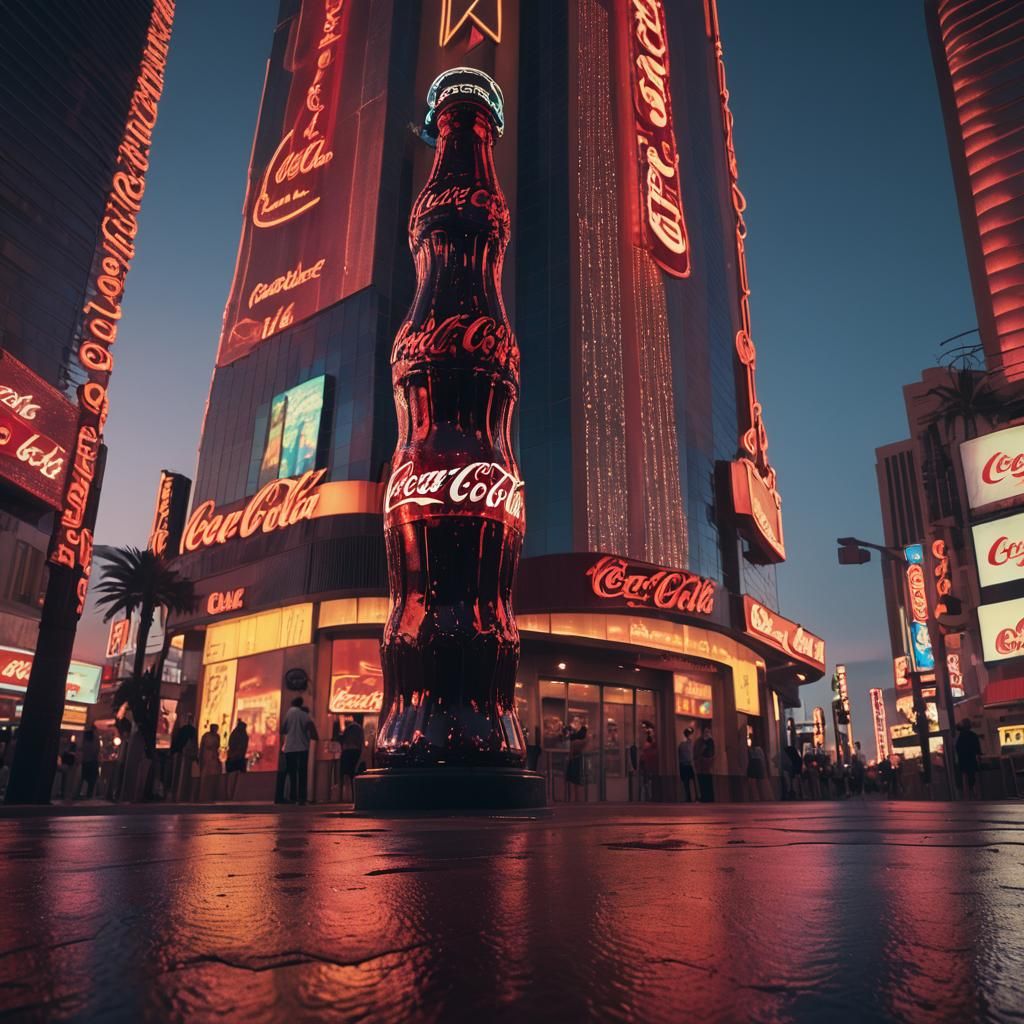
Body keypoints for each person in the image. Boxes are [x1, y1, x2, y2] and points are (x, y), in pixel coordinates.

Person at [280, 698, 317, 805]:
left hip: (290, 748)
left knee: (292, 773)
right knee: (302, 773)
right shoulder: (304, 715)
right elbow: (312, 730)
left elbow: (283, 729)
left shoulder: (289, 713)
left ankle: (292, 796)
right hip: (302, 748)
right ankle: (301, 798)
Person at [170, 713, 197, 802]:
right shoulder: (191, 731)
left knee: (179, 774)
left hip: (182, 754)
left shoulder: (183, 730)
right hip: (185, 755)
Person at [339, 714, 365, 803]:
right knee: (354, 775)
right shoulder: (360, 729)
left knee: (344, 775)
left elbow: (343, 740)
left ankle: (342, 797)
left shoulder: (348, 728)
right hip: (356, 752)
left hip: (347, 751)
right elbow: (361, 742)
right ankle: (354, 797)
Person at [956, 718, 983, 800]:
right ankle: (976, 795)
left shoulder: (959, 736)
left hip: (962, 761)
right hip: (972, 760)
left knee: (965, 778)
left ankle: (967, 796)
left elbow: (957, 748)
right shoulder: (973, 735)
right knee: (973, 777)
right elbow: (978, 750)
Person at [564, 720, 588, 801]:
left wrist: (569, 760)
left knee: (573, 781)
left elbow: (571, 753)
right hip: (580, 760)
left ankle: (573, 798)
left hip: (573, 761)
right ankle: (580, 799)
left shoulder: (574, 742)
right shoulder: (584, 742)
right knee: (579, 781)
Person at [225, 719, 249, 799]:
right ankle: (231, 795)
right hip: (235, 759)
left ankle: (233, 795)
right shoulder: (239, 735)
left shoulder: (238, 735)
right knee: (233, 778)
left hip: (237, 758)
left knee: (235, 778)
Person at [198, 723, 222, 801]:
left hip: (213, 758)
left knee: (213, 776)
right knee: (205, 776)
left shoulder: (217, 736)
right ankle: (202, 795)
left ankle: (211, 794)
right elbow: (202, 747)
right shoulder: (206, 736)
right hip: (206, 758)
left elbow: (217, 746)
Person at [78, 729, 100, 799]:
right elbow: (96, 750)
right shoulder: (96, 739)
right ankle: (89, 794)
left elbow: (81, 749)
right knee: (92, 780)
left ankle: (78, 793)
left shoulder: (85, 739)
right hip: (92, 761)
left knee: (83, 778)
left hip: (86, 761)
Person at [695, 726, 715, 803]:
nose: (707, 733)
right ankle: (704, 797)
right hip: (701, 766)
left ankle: (708, 797)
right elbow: (697, 753)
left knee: (708, 782)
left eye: (708, 731)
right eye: (706, 731)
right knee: (702, 782)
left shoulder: (710, 742)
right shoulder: (699, 741)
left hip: (707, 766)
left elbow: (712, 753)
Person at [677, 727, 697, 802]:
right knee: (687, 783)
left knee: (689, 783)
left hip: (686, 765)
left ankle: (691, 797)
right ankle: (689, 797)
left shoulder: (685, 744)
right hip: (687, 765)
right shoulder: (684, 745)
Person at [639, 728, 658, 802]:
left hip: (646, 767)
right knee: (649, 784)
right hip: (651, 768)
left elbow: (642, 760)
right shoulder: (653, 749)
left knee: (644, 784)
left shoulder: (645, 749)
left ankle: (643, 798)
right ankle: (650, 797)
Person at [58, 735, 77, 800]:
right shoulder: (69, 750)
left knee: (66, 779)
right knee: (68, 780)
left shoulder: (65, 749)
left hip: (66, 765)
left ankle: (64, 793)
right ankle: (65, 794)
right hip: (68, 765)